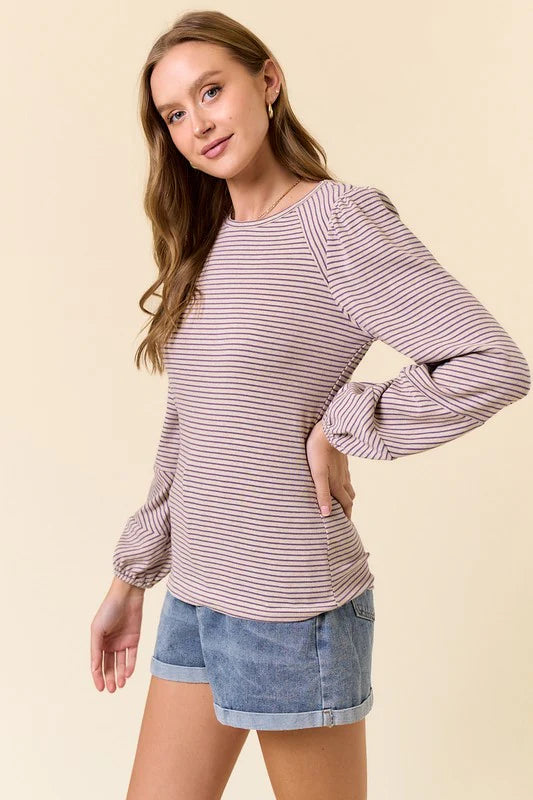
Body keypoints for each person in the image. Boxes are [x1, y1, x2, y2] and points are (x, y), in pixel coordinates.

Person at [89, 10, 530, 800]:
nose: (198, 124)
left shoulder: (338, 221)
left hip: (292, 605)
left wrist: (343, 422)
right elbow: (189, 427)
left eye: (211, 91)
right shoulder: (209, 242)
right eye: (174, 114)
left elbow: (490, 364)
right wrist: (131, 578)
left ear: (268, 80)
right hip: (196, 591)